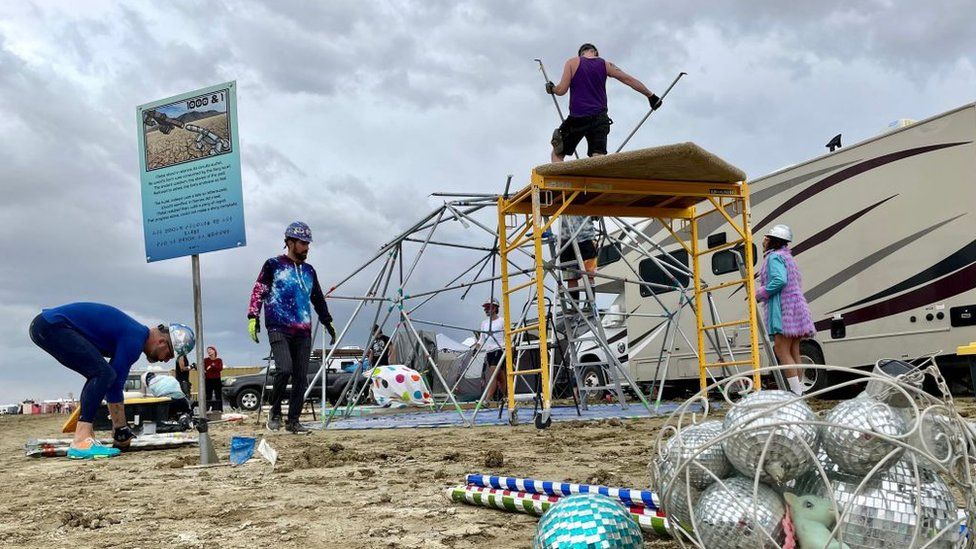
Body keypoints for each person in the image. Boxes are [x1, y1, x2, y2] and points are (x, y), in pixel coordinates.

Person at [28, 302, 194, 459]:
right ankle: (80, 441)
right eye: (170, 355)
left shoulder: (134, 333)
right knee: (102, 374)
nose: (166, 361)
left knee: (100, 373)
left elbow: (112, 383)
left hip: (48, 325)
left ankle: (86, 436)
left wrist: (120, 428)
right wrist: (121, 429)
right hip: (53, 326)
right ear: (162, 342)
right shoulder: (135, 339)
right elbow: (114, 384)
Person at [248, 221, 336, 434]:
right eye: (302, 243)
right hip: (278, 325)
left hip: (303, 329)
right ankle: (275, 411)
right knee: (284, 368)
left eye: (308, 243)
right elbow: (259, 290)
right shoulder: (273, 264)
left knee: (300, 376)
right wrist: (253, 316)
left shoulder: (309, 270)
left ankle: (293, 421)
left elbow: (317, 298)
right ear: (289, 242)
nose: (306, 248)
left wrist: (327, 320)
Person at [546, 43, 662, 162]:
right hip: (599, 118)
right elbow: (629, 80)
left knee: (557, 153)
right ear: (595, 52)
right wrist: (651, 96)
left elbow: (561, 90)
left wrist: (552, 88)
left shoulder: (572, 62)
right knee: (598, 158)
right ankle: (598, 179)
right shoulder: (605, 64)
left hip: (577, 118)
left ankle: (559, 180)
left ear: (581, 53)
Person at [754, 224, 816, 395]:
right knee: (794, 350)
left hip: (783, 309)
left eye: (766, 238)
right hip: (796, 307)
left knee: (781, 349)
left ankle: (796, 394)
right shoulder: (787, 257)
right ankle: (800, 391)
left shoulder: (773, 258)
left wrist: (760, 293)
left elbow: (779, 280)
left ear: (773, 241)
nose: (763, 241)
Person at [559, 215, 599, 307]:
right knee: (577, 276)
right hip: (577, 239)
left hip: (574, 239)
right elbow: (596, 215)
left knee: (580, 276)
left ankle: (581, 306)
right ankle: (583, 305)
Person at [473, 298, 506, 403]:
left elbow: (508, 336)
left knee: (492, 373)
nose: (486, 310)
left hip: (499, 349)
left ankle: (487, 399)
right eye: (485, 308)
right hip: (489, 352)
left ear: (495, 308)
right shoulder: (484, 323)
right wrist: (476, 349)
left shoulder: (502, 321)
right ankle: (505, 396)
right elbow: (481, 339)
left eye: (488, 307)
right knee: (499, 376)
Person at [203, 346, 224, 412]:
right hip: (208, 380)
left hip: (216, 379)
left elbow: (220, 368)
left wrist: (212, 365)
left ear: (214, 351)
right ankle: (207, 409)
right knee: (208, 395)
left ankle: (219, 409)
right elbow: (203, 368)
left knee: (218, 395)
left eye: (210, 350)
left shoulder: (219, 360)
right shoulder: (205, 360)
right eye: (208, 350)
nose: (209, 351)